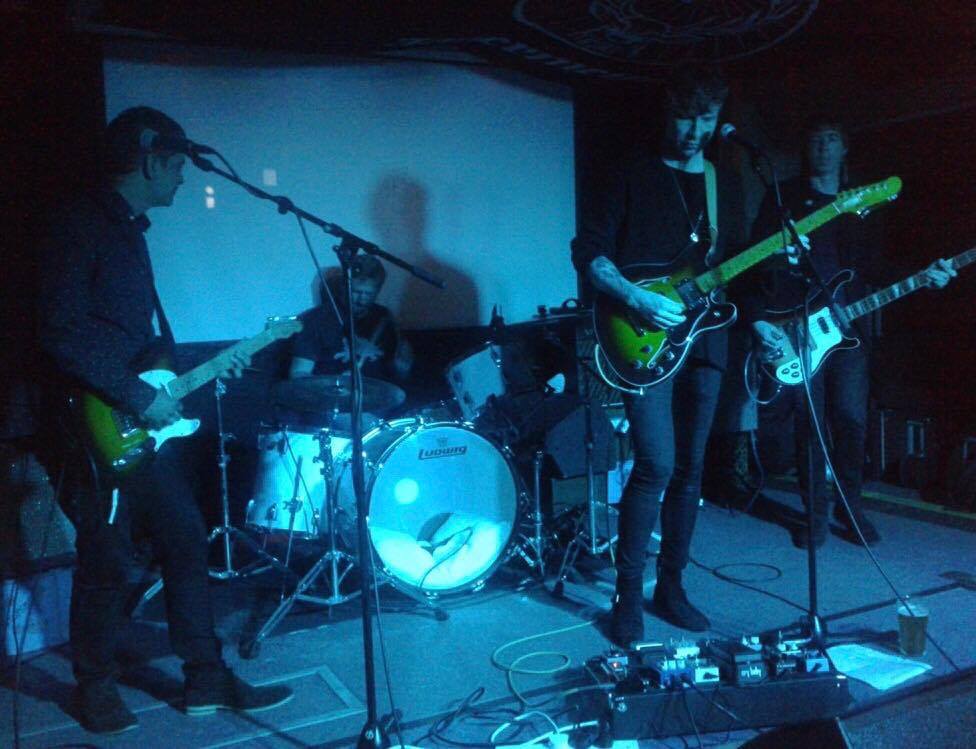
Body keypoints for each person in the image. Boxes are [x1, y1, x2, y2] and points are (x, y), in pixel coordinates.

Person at [37, 106, 293, 734]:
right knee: (107, 558)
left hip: (133, 415)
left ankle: (206, 679)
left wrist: (191, 371)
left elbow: (133, 339)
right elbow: (58, 330)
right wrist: (134, 391)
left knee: (184, 538)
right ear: (150, 159)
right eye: (177, 165)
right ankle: (93, 683)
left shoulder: (130, 230)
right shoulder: (76, 224)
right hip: (90, 427)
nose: (183, 177)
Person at [573, 67, 747, 644]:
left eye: (706, 118)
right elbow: (589, 252)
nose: (694, 130)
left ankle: (671, 587)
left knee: (693, 470)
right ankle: (627, 594)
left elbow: (736, 259)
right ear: (665, 112)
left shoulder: (724, 181)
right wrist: (634, 296)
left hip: (708, 335)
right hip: (641, 332)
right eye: (684, 117)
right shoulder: (630, 172)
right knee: (656, 464)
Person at [740, 118, 956, 549]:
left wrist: (925, 275)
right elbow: (752, 263)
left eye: (831, 139)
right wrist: (761, 317)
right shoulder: (785, 199)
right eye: (814, 139)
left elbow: (878, 266)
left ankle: (850, 506)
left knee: (852, 420)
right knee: (810, 424)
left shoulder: (861, 203)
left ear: (844, 149)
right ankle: (815, 513)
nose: (822, 147)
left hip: (849, 330)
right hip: (799, 325)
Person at [288, 255, 412, 417]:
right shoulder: (315, 320)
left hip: (377, 407)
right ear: (343, 287)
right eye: (356, 292)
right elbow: (298, 374)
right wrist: (330, 390)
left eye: (368, 294)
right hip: (331, 409)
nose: (361, 299)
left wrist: (403, 366)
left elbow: (396, 375)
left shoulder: (383, 318)